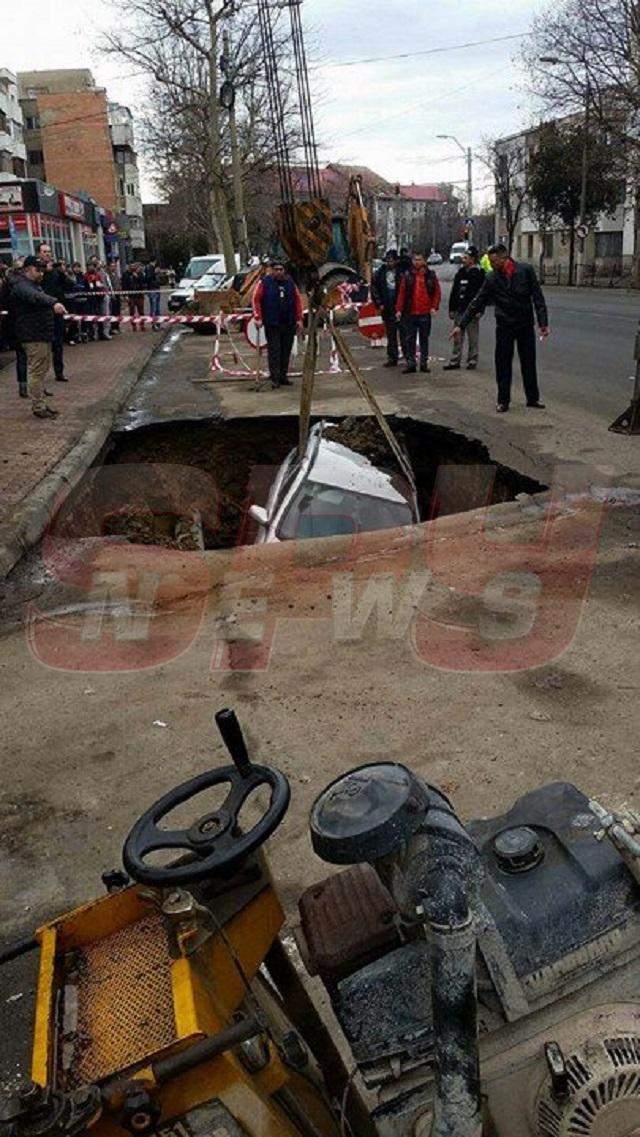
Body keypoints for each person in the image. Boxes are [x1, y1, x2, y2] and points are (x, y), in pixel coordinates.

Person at [453, 242, 549, 413]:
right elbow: (477, 301)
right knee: (503, 363)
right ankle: (503, 400)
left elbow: (538, 298)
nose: (491, 264)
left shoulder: (525, 271)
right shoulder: (491, 278)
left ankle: (532, 398)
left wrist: (543, 323)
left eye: (494, 261)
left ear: (504, 258)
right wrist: (461, 325)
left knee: (528, 361)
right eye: (490, 261)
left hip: (524, 324)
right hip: (504, 325)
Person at [11, 255, 66, 419]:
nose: (41, 273)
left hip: (41, 333)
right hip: (32, 334)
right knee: (37, 371)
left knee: (41, 369)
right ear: (27, 269)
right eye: (37, 269)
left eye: (42, 269)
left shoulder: (34, 284)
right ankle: (38, 406)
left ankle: (40, 402)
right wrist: (53, 302)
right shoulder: (21, 285)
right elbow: (35, 298)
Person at [252, 261, 303, 389]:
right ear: (271, 270)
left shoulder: (290, 283)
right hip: (272, 322)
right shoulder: (264, 282)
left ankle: (283, 376)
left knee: (286, 350)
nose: (279, 272)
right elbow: (256, 299)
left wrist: (299, 319)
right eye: (276, 269)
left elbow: (298, 301)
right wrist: (258, 317)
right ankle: (274, 377)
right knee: (275, 350)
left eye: (281, 269)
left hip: (288, 322)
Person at [396, 251, 441, 374]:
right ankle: (411, 363)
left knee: (424, 339)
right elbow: (402, 293)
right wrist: (399, 310)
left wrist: (434, 307)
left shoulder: (430, 275)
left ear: (424, 261)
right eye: (415, 259)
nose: (417, 262)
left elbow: (436, 293)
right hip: (410, 312)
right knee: (409, 339)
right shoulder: (407, 275)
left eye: (419, 259)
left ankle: (423, 363)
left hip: (425, 312)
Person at [444, 245, 485, 371]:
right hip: (459, 310)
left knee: (473, 337)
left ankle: (472, 360)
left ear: (472, 259)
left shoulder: (478, 274)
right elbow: (454, 292)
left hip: (472, 312)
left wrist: (480, 310)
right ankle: (455, 359)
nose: (463, 259)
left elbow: (482, 294)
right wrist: (451, 308)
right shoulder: (460, 273)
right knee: (457, 336)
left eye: (466, 257)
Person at [42, 257, 75, 381]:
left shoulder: (57, 273)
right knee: (44, 346)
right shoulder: (38, 272)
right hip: (43, 312)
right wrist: (44, 271)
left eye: (48, 252)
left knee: (58, 344)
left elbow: (70, 284)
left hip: (57, 311)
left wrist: (62, 272)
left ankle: (59, 372)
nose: (47, 255)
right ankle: (41, 375)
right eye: (44, 252)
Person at [371, 248, 401, 368]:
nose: (389, 263)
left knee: (405, 333)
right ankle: (392, 357)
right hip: (388, 307)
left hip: (401, 306)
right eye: (388, 261)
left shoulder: (402, 272)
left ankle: (409, 357)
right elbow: (374, 288)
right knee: (391, 334)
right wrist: (379, 303)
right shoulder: (380, 273)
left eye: (392, 260)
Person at [122, 263, 145, 330]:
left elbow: (143, 282)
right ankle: (134, 325)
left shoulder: (139, 273)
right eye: (131, 266)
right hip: (131, 295)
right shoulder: (125, 274)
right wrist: (125, 295)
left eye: (134, 266)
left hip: (139, 295)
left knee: (141, 311)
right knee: (132, 311)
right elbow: (124, 285)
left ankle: (142, 325)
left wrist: (137, 276)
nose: (133, 267)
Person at [144, 259, 161, 329]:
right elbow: (148, 278)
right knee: (154, 308)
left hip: (155, 289)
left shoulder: (151, 268)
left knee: (156, 307)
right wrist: (155, 273)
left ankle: (157, 323)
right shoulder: (149, 268)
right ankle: (154, 324)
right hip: (153, 289)